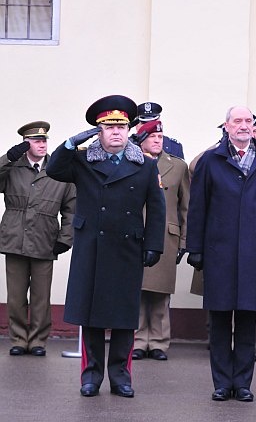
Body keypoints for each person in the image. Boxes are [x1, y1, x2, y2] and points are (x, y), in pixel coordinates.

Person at [46, 95, 166, 398]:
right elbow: (54, 170)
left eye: (122, 126)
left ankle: (121, 377)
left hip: (128, 249)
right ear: (98, 131)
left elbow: (157, 208)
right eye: (108, 126)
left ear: (130, 130)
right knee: (92, 317)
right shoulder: (84, 160)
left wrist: (154, 245)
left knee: (125, 318)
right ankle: (91, 376)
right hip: (92, 248)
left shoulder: (145, 166)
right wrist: (71, 143)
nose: (116, 132)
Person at [186, 106, 256, 402]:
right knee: (219, 320)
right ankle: (221, 383)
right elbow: (198, 207)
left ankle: (242, 383)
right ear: (227, 126)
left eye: (248, 121)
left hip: (255, 252)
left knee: (246, 320)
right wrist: (196, 249)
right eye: (237, 121)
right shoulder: (211, 161)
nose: (243, 126)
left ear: (254, 127)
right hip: (219, 252)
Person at [0, 121, 75, 357]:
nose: (42, 144)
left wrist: (65, 238)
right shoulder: (13, 168)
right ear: (25, 144)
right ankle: (19, 339)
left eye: (44, 140)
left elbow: (72, 208)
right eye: (36, 140)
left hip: (45, 238)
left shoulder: (59, 169)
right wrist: (7, 158)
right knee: (16, 296)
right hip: (15, 237)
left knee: (42, 297)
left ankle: (38, 340)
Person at [130, 120, 190, 361]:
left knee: (160, 292)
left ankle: (158, 341)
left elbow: (187, 206)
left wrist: (184, 241)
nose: (158, 140)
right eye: (152, 136)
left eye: (160, 136)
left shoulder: (177, 166)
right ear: (141, 139)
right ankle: (136, 340)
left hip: (166, 234)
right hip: (135, 233)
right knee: (136, 289)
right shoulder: (132, 162)